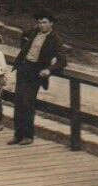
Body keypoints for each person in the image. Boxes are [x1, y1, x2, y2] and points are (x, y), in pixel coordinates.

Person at [9, 11, 62, 146]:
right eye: (39, 22)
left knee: (28, 102)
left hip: (36, 72)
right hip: (24, 69)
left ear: (51, 24)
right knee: (18, 101)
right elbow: (23, 36)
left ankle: (28, 135)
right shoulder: (33, 33)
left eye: (44, 22)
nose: (41, 25)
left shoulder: (55, 39)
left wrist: (49, 69)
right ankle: (17, 135)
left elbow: (62, 61)